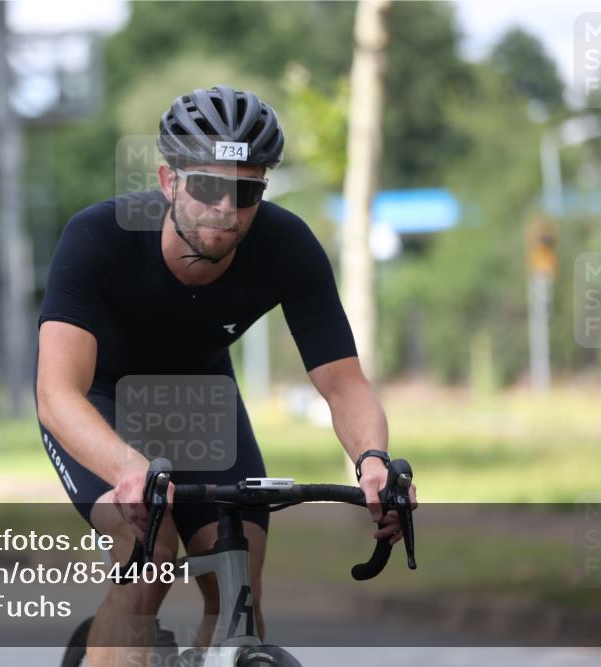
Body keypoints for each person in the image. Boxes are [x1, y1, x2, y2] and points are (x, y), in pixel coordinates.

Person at [35, 85, 418, 664]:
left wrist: (373, 462)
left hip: (204, 403)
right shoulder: (99, 237)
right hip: (101, 403)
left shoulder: (286, 245)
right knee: (150, 561)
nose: (224, 208)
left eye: (245, 192)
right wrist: (126, 466)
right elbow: (55, 393)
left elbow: (344, 384)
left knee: (237, 582)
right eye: (207, 186)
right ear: (169, 183)